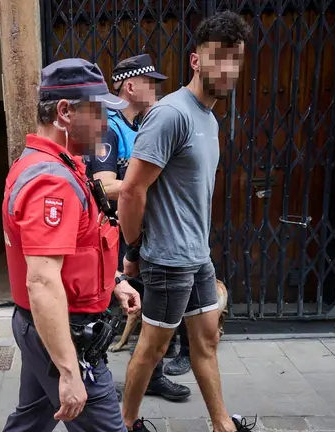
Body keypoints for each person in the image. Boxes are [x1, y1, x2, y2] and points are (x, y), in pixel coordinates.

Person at [117, 12, 255, 432]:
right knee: (152, 349)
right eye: (219, 57)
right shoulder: (170, 114)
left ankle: (221, 424)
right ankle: (126, 424)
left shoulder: (208, 119)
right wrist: (135, 251)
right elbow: (132, 190)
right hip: (167, 260)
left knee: (207, 340)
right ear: (196, 60)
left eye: (235, 59)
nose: (227, 68)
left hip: (197, 257)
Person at [1, 57, 141, 432]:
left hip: (42, 325)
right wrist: (68, 372)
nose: (105, 123)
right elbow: (43, 281)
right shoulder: (52, 182)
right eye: (97, 112)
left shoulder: (48, 164)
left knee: (30, 421)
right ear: (64, 112)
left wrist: (114, 282)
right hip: (67, 330)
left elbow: (78, 248)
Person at [85, 53, 190, 402]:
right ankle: (97, 384)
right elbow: (102, 185)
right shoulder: (108, 127)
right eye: (151, 83)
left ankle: (151, 377)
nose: (157, 90)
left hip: (140, 235)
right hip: (112, 235)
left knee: (150, 308)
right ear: (130, 87)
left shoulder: (143, 125)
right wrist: (146, 184)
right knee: (106, 309)